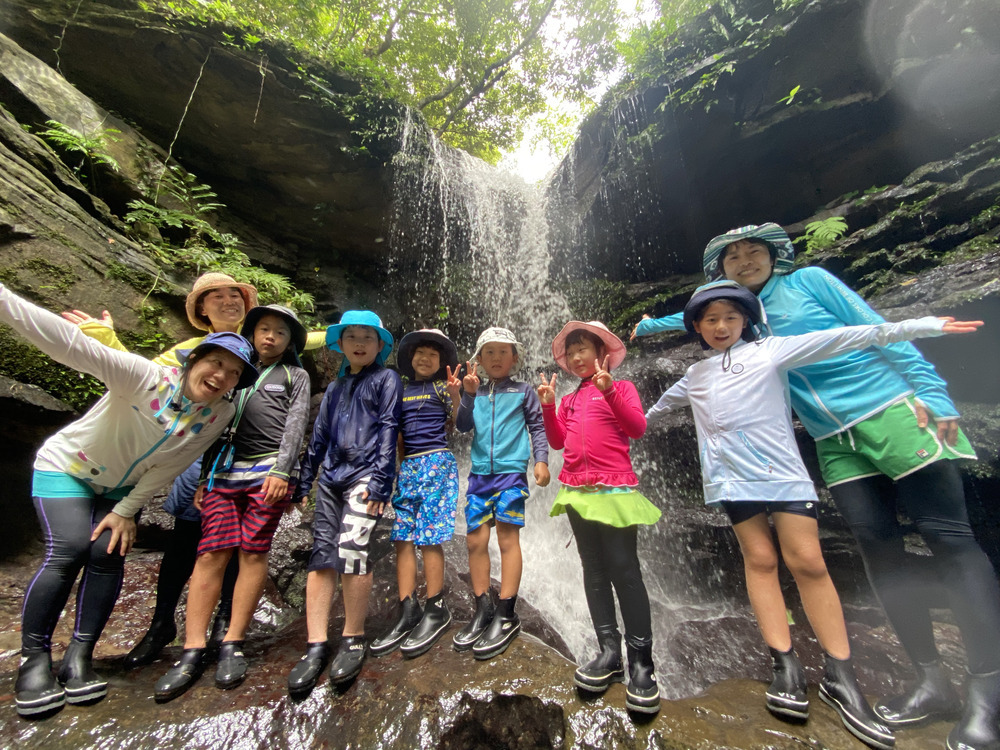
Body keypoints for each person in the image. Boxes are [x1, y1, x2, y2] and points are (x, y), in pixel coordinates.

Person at [636, 223, 1000, 750]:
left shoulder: (809, 282)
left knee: (948, 538)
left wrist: (932, 392)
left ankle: (988, 691)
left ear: (775, 256)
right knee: (877, 547)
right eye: (732, 257)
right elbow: (701, 315)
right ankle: (931, 680)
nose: (745, 261)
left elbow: (869, 328)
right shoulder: (738, 323)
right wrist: (649, 326)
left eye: (754, 252)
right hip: (831, 437)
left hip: (891, 408)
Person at [1, 281, 257, 717]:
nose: (222, 377)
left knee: (107, 552)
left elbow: (169, 465)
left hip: (121, 488)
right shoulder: (144, 376)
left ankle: (80, 657)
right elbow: (67, 344)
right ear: (194, 359)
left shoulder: (220, 412)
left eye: (234, 374)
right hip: (68, 467)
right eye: (217, 363)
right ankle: (34, 660)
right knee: (69, 549)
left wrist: (125, 511)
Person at [64, 272, 323, 668]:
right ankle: (163, 624)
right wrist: (106, 340)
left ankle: (226, 625)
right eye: (216, 296)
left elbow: (309, 341)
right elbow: (144, 374)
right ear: (202, 308)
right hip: (201, 453)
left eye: (235, 295)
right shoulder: (195, 349)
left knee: (242, 546)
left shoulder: (274, 352)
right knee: (189, 538)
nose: (228, 301)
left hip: (253, 463)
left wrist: (345, 333)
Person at [154, 305, 311, 701]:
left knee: (253, 553)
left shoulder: (295, 375)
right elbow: (213, 424)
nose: (270, 336)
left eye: (280, 332)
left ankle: (232, 642)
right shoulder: (235, 373)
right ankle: (192, 648)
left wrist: (283, 471)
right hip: (224, 472)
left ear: (290, 342)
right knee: (210, 553)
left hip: (267, 473)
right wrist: (205, 477)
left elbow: (295, 426)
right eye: (264, 329)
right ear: (252, 333)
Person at [537, 321, 662, 714]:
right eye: (571, 351)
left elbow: (637, 428)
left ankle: (641, 662)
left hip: (614, 489)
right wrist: (548, 406)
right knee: (593, 569)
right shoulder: (570, 399)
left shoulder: (622, 388)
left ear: (601, 352)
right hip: (577, 490)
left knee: (624, 569)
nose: (577, 357)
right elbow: (557, 441)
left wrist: (609, 391)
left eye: (583, 349)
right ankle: (609, 651)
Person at [286, 310, 402, 696]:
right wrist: (304, 482)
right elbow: (318, 437)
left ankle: (353, 637)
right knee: (322, 556)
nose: (359, 343)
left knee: (353, 549)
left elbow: (389, 427)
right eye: (352, 336)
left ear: (379, 345)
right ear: (341, 344)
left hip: (367, 475)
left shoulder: (386, 379)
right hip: (331, 478)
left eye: (367, 337)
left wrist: (382, 483)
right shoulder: (335, 388)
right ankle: (316, 644)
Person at [450, 327, 550, 660]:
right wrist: (466, 395)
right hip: (479, 476)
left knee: (508, 538)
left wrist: (541, 461)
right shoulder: (475, 392)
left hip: (510, 474)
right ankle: (483, 608)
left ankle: (506, 612)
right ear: (478, 359)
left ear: (514, 358)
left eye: (502, 352)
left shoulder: (524, 391)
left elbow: (537, 427)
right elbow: (463, 426)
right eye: (489, 352)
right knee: (475, 540)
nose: (496, 358)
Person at [371, 329, 461, 658]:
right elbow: (394, 433)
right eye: (420, 353)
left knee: (429, 537)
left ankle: (436, 607)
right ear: (410, 358)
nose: (425, 358)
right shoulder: (401, 389)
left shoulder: (441, 388)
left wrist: (456, 395)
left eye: (432, 355)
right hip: (408, 466)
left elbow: (460, 421)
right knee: (402, 537)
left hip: (436, 461)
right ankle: (407, 607)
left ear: (440, 362)